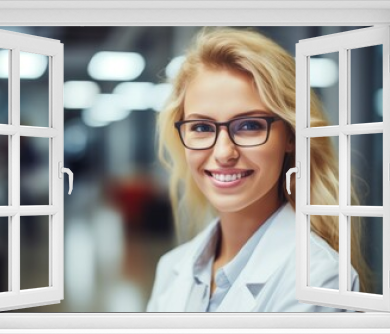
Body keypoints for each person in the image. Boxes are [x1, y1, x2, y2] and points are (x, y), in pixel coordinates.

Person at [147, 27, 370, 312]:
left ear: (291, 135)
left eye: (250, 125)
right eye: (201, 127)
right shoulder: (171, 269)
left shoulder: (319, 282)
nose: (224, 152)